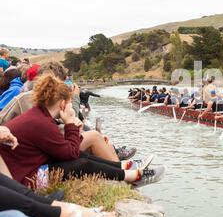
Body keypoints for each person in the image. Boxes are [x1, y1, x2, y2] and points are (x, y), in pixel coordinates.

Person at [0, 74, 165, 188]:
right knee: (82, 163)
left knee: (82, 156)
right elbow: (70, 153)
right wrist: (70, 122)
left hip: (20, 173)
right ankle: (133, 176)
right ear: (63, 104)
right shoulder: (40, 122)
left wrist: (71, 126)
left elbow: (66, 150)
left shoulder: (38, 116)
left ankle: (123, 167)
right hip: (24, 181)